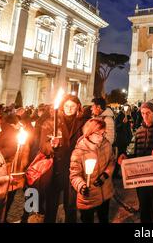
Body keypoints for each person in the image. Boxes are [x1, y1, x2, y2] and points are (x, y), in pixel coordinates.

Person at [40, 94, 87, 223]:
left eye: (72, 106)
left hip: (73, 169)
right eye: (66, 106)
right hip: (55, 168)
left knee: (71, 205)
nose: (69, 109)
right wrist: (51, 146)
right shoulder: (50, 122)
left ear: (78, 107)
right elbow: (42, 146)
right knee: (51, 204)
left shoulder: (84, 123)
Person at [118, 102, 153, 223]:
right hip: (142, 175)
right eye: (143, 113)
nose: (145, 116)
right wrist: (126, 157)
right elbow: (133, 151)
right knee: (144, 205)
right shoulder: (139, 130)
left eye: (148, 113)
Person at [70, 118, 115, 223]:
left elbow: (111, 161)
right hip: (88, 196)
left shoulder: (106, 144)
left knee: (104, 218)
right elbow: (74, 175)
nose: (101, 137)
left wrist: (105, 174)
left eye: (103, 133)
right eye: (97, 134)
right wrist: (81, 186)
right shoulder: (79, 152)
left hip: (105, 192)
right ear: (89, 133)